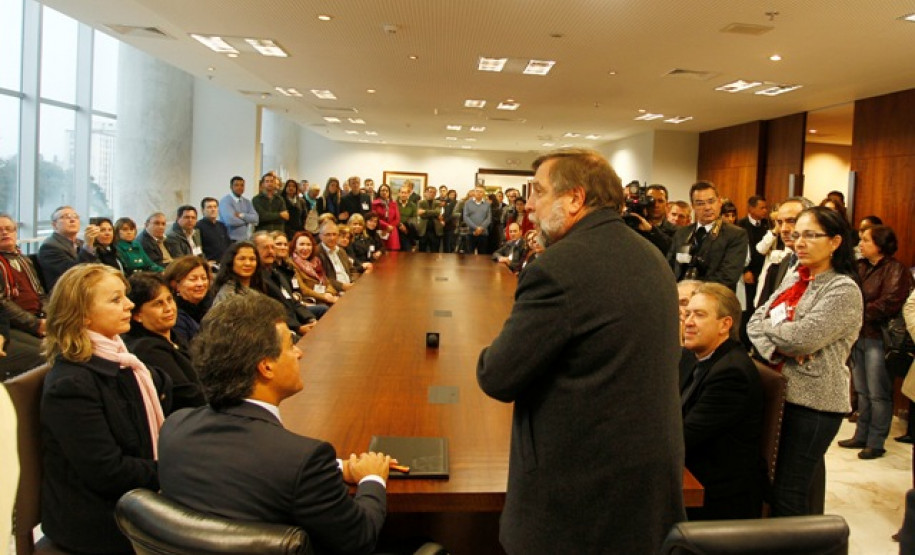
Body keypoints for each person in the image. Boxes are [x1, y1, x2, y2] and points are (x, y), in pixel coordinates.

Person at [476, 149, 684, 553]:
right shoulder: (649, 254)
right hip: (642, 483)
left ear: (574, 198)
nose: (529, 205)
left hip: (579, 498)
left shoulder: (559, 268)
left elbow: (497, 375)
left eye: (539, 192)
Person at [157, 294, 391, 554]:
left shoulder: (175, 427)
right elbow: (359, 539)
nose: (299, 353)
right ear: (266, 367)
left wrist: (337, 467)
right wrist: (372, 478)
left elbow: (244, 464)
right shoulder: (303, 459)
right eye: (291, 345)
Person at [40, 264, 170, 553]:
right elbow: (108, 472)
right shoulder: (71, 385)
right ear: (82, 314)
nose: (130, 304)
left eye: (125, 296)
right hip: (98, 521)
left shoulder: (121, 358)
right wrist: (176, 469)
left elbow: (165, 386)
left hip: (131, 496)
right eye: (115, 299)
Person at [747, 206, 863, 516]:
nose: (799, 242)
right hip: (781, 390)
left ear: (835, 242)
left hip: (815, 402)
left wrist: (785, 336)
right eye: (797, 235)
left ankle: (799, 540)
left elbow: (803, 339)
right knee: (771, 485)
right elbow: (754, 322)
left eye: (810, 235)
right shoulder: (795, 276)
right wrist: (779, 347)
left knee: (790, 492)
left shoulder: (842, 289)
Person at [680, 282, 765, 520]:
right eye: (687, 314)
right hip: (693, 473)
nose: (688, 322)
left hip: (717, 496)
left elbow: (684, 435)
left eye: (699, 315)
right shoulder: (695, 356)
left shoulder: (731, 373)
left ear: (725, 324)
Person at [837, 225, 914, 459]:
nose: (860, 244)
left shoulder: (896, 269)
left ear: (880, 244)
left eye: (866, 240)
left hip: (879, 338)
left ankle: (876, 441)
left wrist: (857, 313)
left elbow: (890, 302)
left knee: (878, 392)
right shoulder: (860, 266)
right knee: (861, 390)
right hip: (858, 335)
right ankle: (861, 435)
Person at [125, 272, 206, 411]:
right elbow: (187, 396)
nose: (169, 308)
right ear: (137, 314)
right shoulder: (147, 349)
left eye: (170, 299)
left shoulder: (173, 336)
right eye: (158, 304)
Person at [667, 181, 749, 290]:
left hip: (714, 296)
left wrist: (693, 290)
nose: (707, 207)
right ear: (693, 206)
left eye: (711, 201)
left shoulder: (735, 235)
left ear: (719, 202)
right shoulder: (682, 233)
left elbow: (728, 276)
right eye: (700, 203)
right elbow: (670, 267)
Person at [38, 206, 100, 290]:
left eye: (75, 217)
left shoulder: (81, 243)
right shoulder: (49, 247)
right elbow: (73, 273)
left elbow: (97, 266)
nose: (72, 220)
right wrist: (88, 245)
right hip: (67, 293)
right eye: (66, 217)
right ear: (54, 225)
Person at [162, 255, 212, 344]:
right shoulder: (174, 315)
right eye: (193, 279)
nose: (200, 284)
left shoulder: (212, 305)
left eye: (204, 278)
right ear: (175, 285)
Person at [737, 196, 771, 313]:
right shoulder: (740, 225)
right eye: (762, 208)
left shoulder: (768, 225)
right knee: (747, 306)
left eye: (766, 208)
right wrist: (745, 270)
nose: (765, 211)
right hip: (748, 271)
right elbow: (739, 251)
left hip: (763, 269)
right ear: (751, 208)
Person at [211, 241, 269, 305]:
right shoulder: (227, 294)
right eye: (241, 259)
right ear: (231, 262)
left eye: (252, 259)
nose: (248, 263)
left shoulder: (259, 288)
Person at [290, 231, 339, 306]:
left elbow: (327, 283)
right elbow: (304, 290)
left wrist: (329, 293)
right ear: (295, 248)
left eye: (308, 245)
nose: (305, 248)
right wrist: (324, 297)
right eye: (302, 244)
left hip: (325, 299)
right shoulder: (292, 264)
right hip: (311, 302)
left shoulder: (316, 262)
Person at [316, 221, 357, 292]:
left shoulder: (341, 251)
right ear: (320, 236)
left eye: (334, 234)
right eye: (328, 235)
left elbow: (351, 269)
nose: (332, 238)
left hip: (350, 288)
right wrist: (342, 286)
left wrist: (354, 282)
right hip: (334, 291)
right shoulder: (317, 252)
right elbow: (322, 277)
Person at [219, 175, 260, 241]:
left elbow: (256, 218)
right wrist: (248, 221)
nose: (239, 187)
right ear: (231, 187)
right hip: (229, 240)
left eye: (242, 185)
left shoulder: (247, 202)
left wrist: (241, 215)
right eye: (236, 185)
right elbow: (230, 221)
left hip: (245, 239)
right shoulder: (225, 201)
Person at [196, 197, 232, 265]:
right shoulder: (198, 227)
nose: (213, 209)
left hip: (224, 263)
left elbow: (228, 245)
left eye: (215, 207)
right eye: (209, 207)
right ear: (202, 210)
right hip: (209, 264)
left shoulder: (221, 225)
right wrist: (204, 262)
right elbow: (197, 248)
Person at [462, 185, 491, 255]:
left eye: (481, 192)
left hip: (483, 233)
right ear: (474, 192)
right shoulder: (467, 203)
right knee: (469, 256)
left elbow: (488, 218)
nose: (478, 193)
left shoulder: (487, 204)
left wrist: (481, 228)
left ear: (483, 193)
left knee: (482, 256)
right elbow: (465, 217)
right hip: (471, 232)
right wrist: (476, 228)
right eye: (477, 191)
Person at [371, 184, 400, 251]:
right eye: (382, 190)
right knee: (380, 250)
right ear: (379, 192)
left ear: (389, 192)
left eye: (386, 190)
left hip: (392, 230)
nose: (384, 192)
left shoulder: (394, 204)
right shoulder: (374, 203)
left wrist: (390, 227)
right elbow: (375, 217)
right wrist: (386, 226)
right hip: (380, 229)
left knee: (393, 252)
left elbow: (397, 218)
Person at [417, 186, 444, 253]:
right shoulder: (421, 202)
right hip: (423, 231)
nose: (432, 194)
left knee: (435, 252)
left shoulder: (438, 203)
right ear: (425, 193)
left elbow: (437, 212)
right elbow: (421, 215)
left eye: (434, 192)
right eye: (430, 192)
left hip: (435, 231)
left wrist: (425, 211)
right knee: (422, 252)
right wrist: (433, 213)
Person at [396, 185, 418, 251]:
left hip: (408, 230)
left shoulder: (413, 205)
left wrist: (406, 228)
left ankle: (413, 244)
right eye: (402, 192)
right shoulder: (394, 204)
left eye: (405, 193)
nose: (403, 195)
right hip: (396, 229)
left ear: (408, 194)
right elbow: (392, 217)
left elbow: (414, 218)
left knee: (407, 251)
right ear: (399, 193)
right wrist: (400, 225)